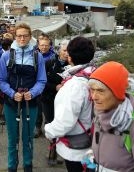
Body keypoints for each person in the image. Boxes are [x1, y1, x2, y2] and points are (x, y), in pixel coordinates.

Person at [0, 23, 47, 172]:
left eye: (25, 35)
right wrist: (12, 93)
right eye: (19, 35)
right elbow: (0, 79)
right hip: (12, 103)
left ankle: (28, 166)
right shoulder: (7, 55)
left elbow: (41, 80)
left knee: (28, 138)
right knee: (12, 139)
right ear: (15, 37)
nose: (22, 38)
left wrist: (33, 92)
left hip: (31, 103)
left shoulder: (37, 57)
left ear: (30, 37)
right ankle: (12, 167)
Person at [88, 61, 134, 171]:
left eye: (100, 91)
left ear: (117, 92)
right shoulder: (99, 111)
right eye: (92, 90)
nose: (94, 97)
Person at [44, 36, 96, 172]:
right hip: (94, 141)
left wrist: (49, 131)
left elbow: (64, 123)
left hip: (76, 149)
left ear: (70, 57)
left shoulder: (74, 85)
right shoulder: (95, 74)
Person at [41, 40, 69, 165]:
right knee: (51, 124)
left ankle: (58, 152)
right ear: (59, 51)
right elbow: (41, 82)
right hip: (49, 99)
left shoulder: (72, 64)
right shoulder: (49, 63)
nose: (66, 53)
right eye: (64, 50)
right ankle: (52, 151)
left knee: (63, 125)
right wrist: (55, 87)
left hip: (65, 101)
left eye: (69, 51)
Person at [34, 34, 56, 138]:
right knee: (37, 110)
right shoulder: (33, 56)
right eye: (42, 45)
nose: (44, 47)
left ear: (49, 46)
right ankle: (38, 128)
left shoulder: (53, 57)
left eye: (46, 45)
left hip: (49, 88)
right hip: (37, 88)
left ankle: (48, 129)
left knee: (49, 111)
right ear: (38, 45)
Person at [0, 33, 14, 125]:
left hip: (10, 80)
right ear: (9, 47)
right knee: (2, 99)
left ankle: (8, 114)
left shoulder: (9, 53)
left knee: (8, 98)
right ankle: (0, 115)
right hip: (1, 81)